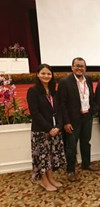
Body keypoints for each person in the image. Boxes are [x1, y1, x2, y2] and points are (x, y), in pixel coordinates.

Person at [58, 57, 98, 183]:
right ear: (72, 67)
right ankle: (70, 171)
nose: (80, 68)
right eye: (77, 66)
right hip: (72, 120)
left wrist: (94, 109)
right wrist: (66, 122)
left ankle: (86, 164)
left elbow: (92, 97)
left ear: (85, 68)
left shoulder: (88, 80)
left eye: (82, 66)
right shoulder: (65, 82)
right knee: (71, 146)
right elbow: (62, 104)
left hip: (87, 117)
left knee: (86, 142)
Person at [27, 64, 66, 192]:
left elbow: (59, 110)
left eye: (48, 73)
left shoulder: (54, 91)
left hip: (55, 130)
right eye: (43, 73)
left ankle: (51, 178)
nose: (46, 76)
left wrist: (58, 126)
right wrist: (49, 128)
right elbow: (35, 113)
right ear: (37, 74)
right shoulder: (33, 91)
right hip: (41, 131)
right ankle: (44, 181)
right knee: (42, 157)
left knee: (51, 155)